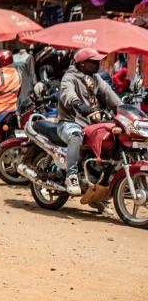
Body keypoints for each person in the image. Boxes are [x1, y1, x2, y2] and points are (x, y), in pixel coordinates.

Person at [57, 47, 122, 195]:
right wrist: (78, 104)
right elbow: (67, 93)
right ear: (82, 63)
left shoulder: (96, 78)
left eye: (98, 62)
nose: (97, 65)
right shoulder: (70, 77)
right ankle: (71, 175)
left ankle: (98, 190)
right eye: (93, 62)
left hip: (92, 125)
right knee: (75, 136)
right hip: (69, 122)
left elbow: (109, 95)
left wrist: (123, 109)